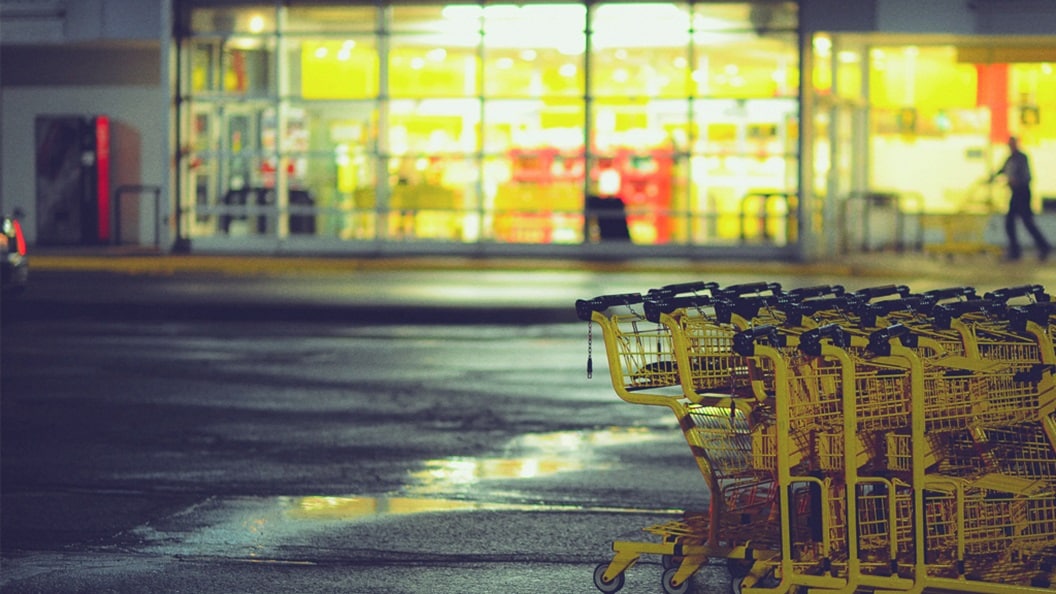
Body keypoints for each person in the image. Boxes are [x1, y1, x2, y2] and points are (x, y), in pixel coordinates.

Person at [990, 136, 1050, 261]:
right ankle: (1019, 249)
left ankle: (1041, 247)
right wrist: (991, 178)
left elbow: (1026, 175)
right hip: (1016, 193)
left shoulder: (1022, 158)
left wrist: (1016, 181)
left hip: (1022, 193)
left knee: (1025, 222)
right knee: (1012, 222)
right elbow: (1002, 170)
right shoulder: (1010, 159)